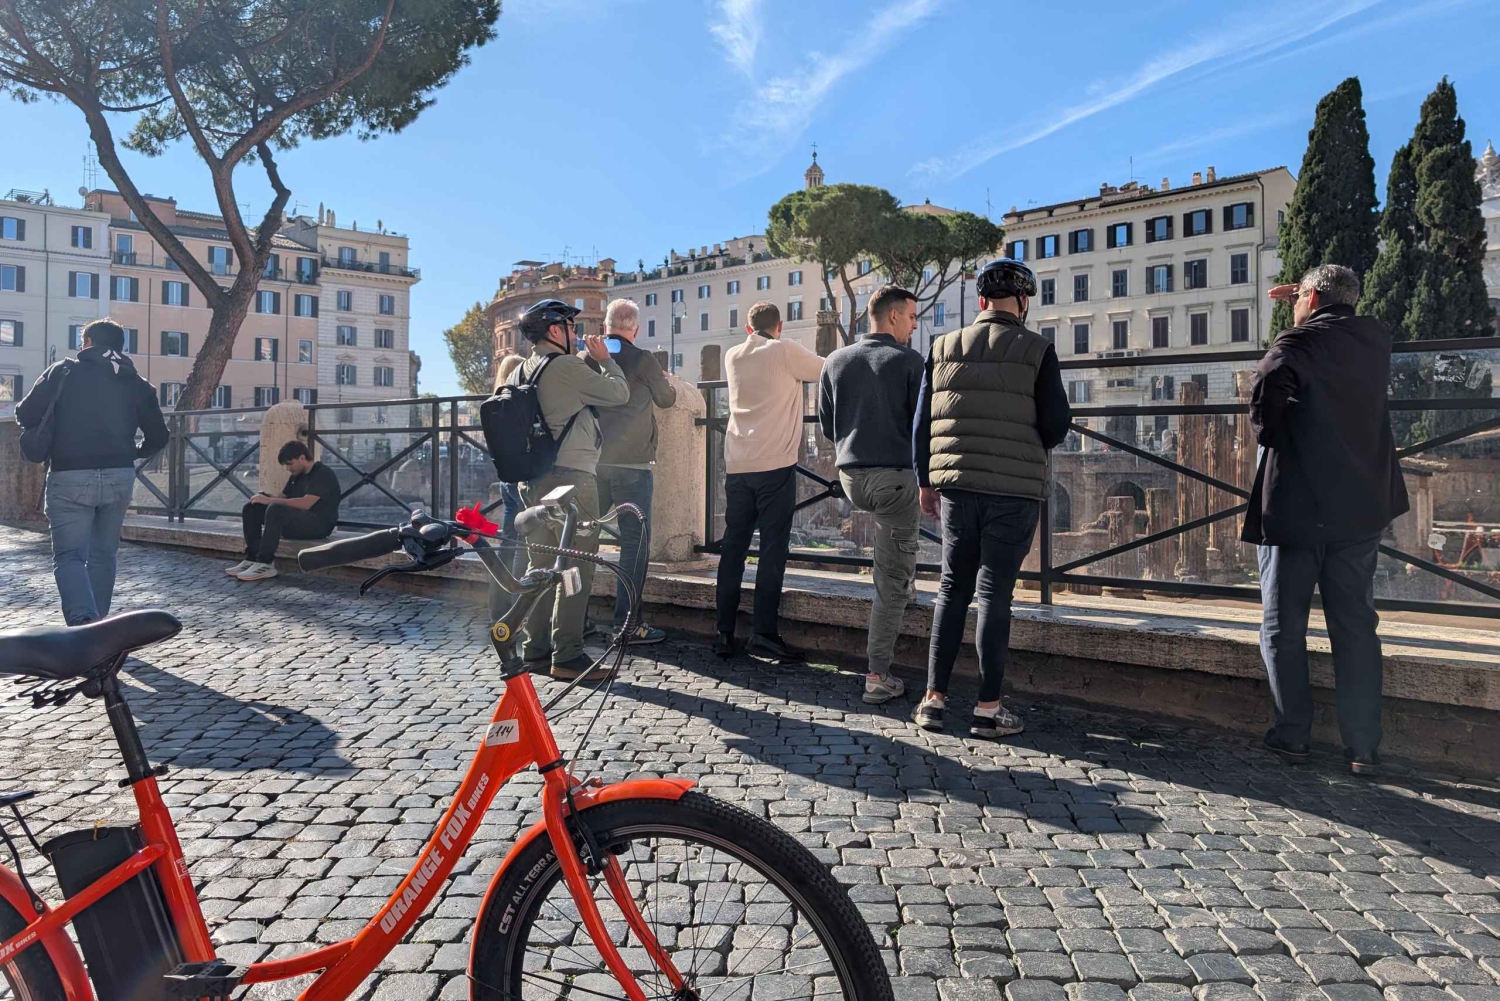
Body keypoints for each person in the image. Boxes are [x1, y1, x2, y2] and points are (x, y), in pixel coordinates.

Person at [1248, 264, 1409, 777]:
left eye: (1299, 297)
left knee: (1282, 626)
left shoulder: (1296, 343)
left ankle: (1292, 736)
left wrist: (1277, 428)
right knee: (1356, 626)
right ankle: (1362, 748)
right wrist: (1303, 301)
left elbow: (1265, 403)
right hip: (1359, 505)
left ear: (1312, 299)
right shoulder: (1375, 341)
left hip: (1298, 506)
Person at [912, 259, 1071, 738]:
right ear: (1022, 302)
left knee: (951, 589)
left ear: (981, 301)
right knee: (995, 594)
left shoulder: (942, 346)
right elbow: (1055, 426)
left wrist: (925, 481)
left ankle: (933, 701)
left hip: (957, 487)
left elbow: (922, 423)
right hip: (1014, 490)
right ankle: (987, 709)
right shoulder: (1038, 350)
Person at [506, 299, 630, 681]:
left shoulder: (520, 371)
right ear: (555, 330)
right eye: (572, 328)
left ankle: (534, 650)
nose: (576, 335)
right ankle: (568, 654)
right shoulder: (567, 366)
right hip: (572, 481)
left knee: (540, 566)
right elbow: (619, 394)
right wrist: (604, 360)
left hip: (533, 481)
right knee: (577, 565)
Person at [16, 318, 169, 624]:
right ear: (120, 347)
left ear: (87, 343)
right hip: (119, 475)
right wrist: (133, 452)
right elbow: (159, 436)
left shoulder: (63, 371)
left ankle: (83, 622)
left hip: (69, 474)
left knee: (70, 556)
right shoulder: (138, 383)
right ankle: (99, 627)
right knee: (104, 555)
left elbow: (25, 414)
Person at [818, 284, 924, 704]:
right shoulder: (910, 361)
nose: (914, 326)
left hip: (851, 478)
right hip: (894, 479)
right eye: (912, 317)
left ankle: (904, 577)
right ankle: (878, 675)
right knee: (889, 582)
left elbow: (828, 425)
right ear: (893, 316)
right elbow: (923, 428)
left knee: (894, 555)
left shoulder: (835, 360)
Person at [715, 301, 825, 664]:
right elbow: (826, 369)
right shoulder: (785, 350)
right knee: (772, 551)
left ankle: (723, 632)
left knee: (733, 548)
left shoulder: (732, 355)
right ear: (780, 326)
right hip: (775, 465)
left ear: (749, 329)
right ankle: (763, 634)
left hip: (737, 464)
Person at [590, 298, 677, 645]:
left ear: (606, 327)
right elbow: (667, 399)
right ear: (636, 330)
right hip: (632, 465)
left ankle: (572, 619)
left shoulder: (588, 358)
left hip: (593, 464)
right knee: (634, 546)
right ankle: (627, 624)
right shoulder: (643, 359)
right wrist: (665, 381)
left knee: (582, 539)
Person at [227, 441, 341, 581]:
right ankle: (252, 558)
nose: (287, 468)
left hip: (319, 526)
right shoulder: (296, 475)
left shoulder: (322, 474)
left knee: (276, 509)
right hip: (297, 522)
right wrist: (264, 498)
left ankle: (265, 563)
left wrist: (270, 501)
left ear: (302, 458)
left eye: (290, 464)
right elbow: (283, 498)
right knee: (251, 508)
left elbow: (306, 504)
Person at [486, 354, 529, 623]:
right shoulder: (518, 402)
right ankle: (517, 608)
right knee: (523, 544)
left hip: (505, 479)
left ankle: (497, 607)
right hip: (522, 478)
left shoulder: (494, 404)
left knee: (507, 544)